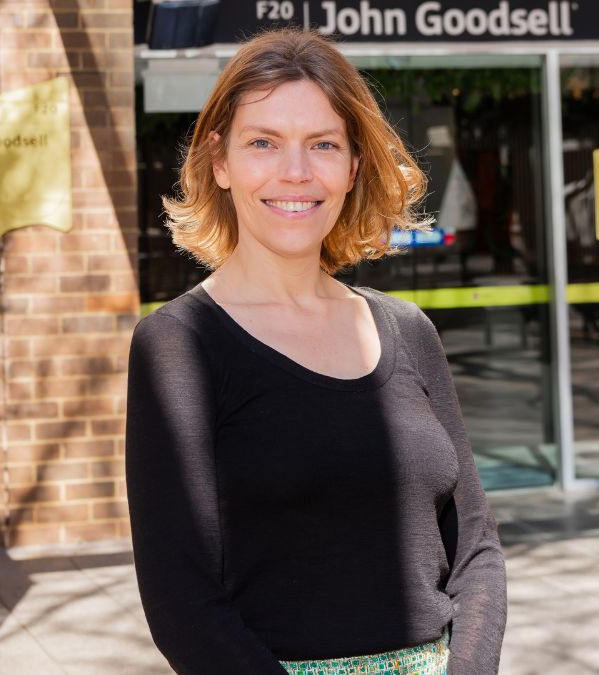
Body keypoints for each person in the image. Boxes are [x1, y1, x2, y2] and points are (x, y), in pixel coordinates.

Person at [125, 28, 507, 675]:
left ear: (353, 164)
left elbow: (477, 550)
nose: (295, 172)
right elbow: (182, 600)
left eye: (322, 144)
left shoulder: (410, 331)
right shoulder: (179, 345)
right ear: (220, 161)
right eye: (263, 143)